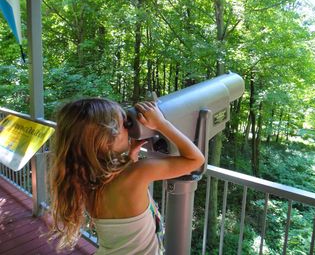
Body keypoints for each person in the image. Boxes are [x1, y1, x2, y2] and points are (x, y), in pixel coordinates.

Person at [48, 97, 205, 254]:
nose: (129, 128)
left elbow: (121, 189)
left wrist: (131, 154)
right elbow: (196, 160)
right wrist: (161, 124)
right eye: (124, 124)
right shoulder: (140, 172)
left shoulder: (88, 182)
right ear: (106, 139)